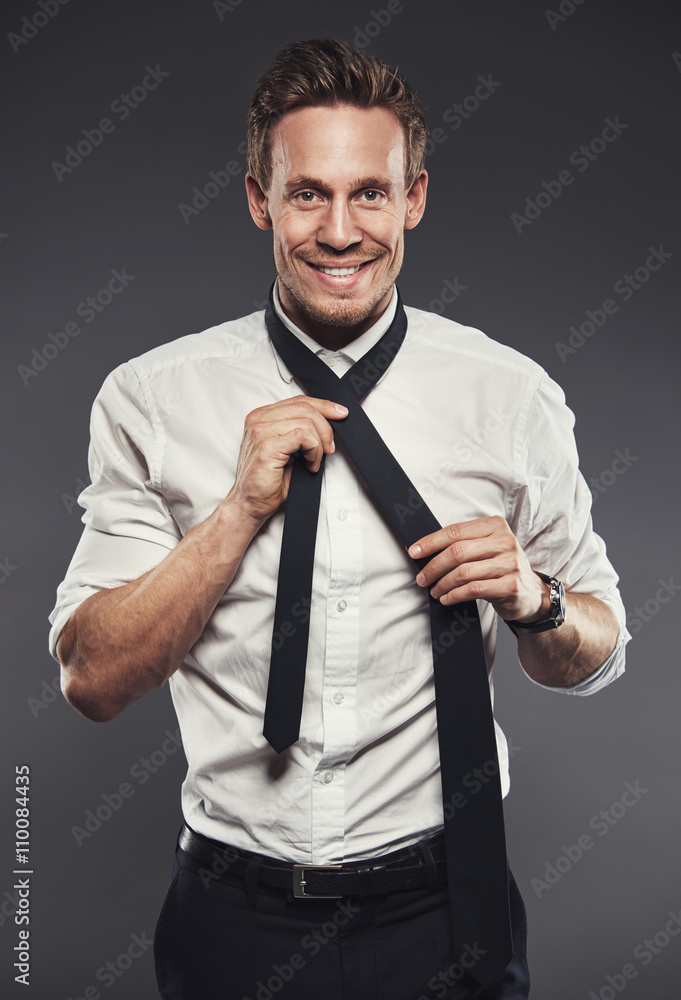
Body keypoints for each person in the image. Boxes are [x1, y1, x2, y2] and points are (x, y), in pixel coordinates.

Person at [49, 38, 629, 1000]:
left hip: (446, 909)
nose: (339, 229)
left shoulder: (509, 394)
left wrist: (536, 597)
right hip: (232, 913)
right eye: (307, 193)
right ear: (257, 200)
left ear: (414, 200)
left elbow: (598, 655)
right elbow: (92, 679)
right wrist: (238, 509)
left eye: (369, 193)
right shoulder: (151, 398)